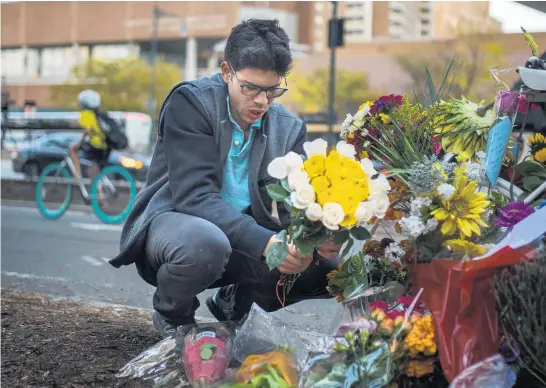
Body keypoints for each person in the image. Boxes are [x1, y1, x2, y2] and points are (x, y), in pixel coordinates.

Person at [109, 19, 343, 338]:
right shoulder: (191, 103)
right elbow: (196, 198)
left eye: (273, 90)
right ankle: (173, 311)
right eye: (250, 88)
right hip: (178, 230)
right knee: (207, 243)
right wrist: (267, 242)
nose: (262, 101)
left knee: (327, 270)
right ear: (226, 73)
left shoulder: (288, 128)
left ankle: (236, 304)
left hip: (239, 238)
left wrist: (315, 238)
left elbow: (294, 208)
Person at [69, 90, 111, 186]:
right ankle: (99, 194)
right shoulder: (96, 114)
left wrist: (80, 142)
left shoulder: (85, 114)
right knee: (93, 171)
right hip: (104, 146)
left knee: (72, 149)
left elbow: (88, 130)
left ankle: (78, 177)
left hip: (95, 145)